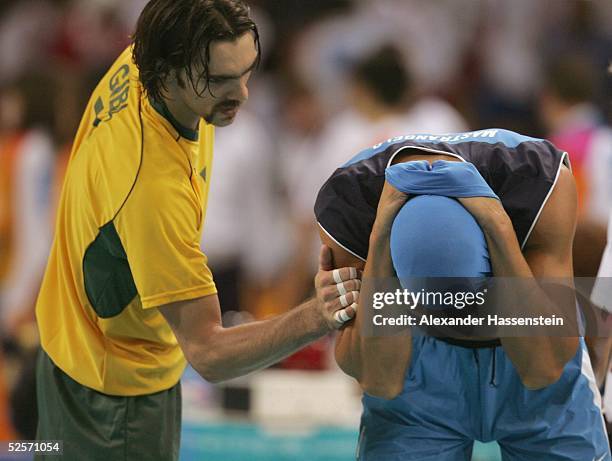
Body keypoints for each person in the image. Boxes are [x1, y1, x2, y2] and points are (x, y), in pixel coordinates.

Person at [34, 1, 359, 460]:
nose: (242, 94)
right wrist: (319, 315)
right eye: (220, 81)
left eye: (247, 72)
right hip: (115, 400)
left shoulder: (146, 53)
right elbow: (208, 351)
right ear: (167, 73)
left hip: (70, 337)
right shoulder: (153, 187)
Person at [315, 128, 610, 460]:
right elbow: (380, 379)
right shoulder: (350, 204)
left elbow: (543, 368)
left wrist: (498, 227)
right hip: (415, 353)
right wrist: (380, 235)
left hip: (519, 311)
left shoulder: (540, 182)